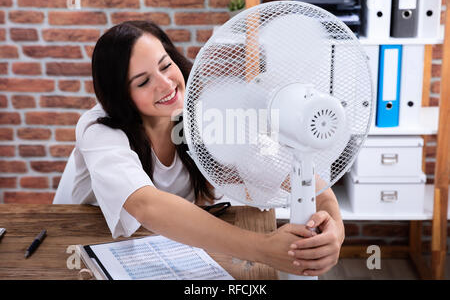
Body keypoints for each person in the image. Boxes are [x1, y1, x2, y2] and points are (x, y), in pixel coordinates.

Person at [70, 20, 345, 277]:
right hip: (87, 247)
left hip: (167, 248)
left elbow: (289, 171)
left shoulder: (206, 115)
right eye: (143, 82)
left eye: (165, 66)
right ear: (120, 95)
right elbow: (145, 204)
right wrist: (264, 248)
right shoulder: (98, 129)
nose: (166, 84)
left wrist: (332, 225)